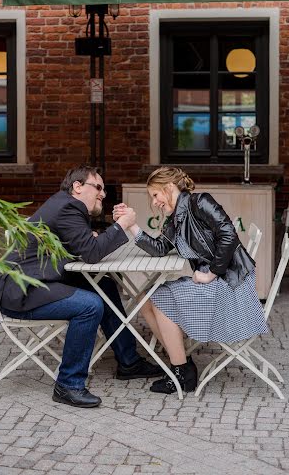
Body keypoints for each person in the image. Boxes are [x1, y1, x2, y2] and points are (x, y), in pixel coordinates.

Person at [0, 165, 162, 409]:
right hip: (22, 291)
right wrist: (122, 225)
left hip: (33, 281)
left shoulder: (64, 205)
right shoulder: (69, 207)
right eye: (98, 187)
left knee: (104, 284)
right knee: (89, 306)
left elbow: (82, 247)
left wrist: (91, 238)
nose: (103, 194)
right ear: (78, 186)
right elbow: (92, 254)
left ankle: (129, 361)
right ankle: (68, 385)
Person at [113, 166, 268, 395]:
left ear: (168, 188)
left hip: (229, 284)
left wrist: (211, 273)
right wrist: (131, 225)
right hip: (212, 281)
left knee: (158, 298)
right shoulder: (176, 217)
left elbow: (229, 235)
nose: (155, 202)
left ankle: (181, 371)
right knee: (144, 299)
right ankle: (182, 364)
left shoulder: (200, 202)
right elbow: (159, 249)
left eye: (155, 195)